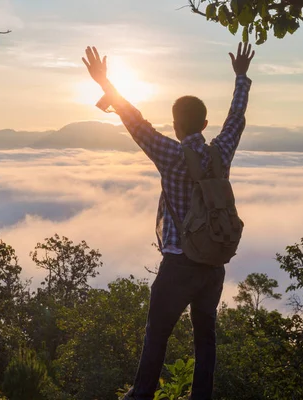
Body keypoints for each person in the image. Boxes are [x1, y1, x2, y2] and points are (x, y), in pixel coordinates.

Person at [82, 42, 255, 400]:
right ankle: (200, 396)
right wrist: (240, 78)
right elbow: (236, 121)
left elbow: (135, 120)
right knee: (205, 335)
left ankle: (141, 394)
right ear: (205, 125)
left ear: (175, 125)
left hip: (178, 261)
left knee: (157, 331)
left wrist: (105, 84)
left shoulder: (170, 153)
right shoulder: (221, 152)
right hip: (213, 262)